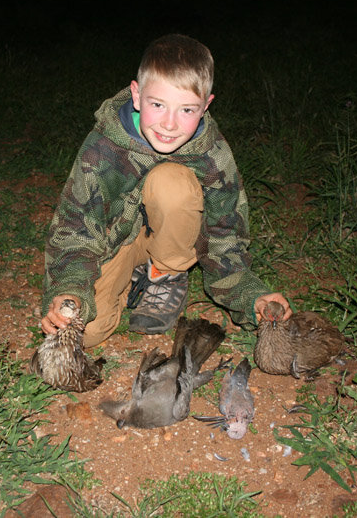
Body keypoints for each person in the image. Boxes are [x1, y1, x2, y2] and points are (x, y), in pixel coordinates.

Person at [40, 33, 292, 347]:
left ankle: (165, 273)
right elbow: (76, 229)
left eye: (186, 110)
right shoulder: (102, 149)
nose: (170, 124)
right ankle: (129, 282)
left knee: (173, 182)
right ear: (136, 95)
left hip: (169, 239)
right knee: (84, 332)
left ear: (205, 106)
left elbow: (225, 238)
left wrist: (250, 296)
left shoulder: (213, 154)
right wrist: (71, 291)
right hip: (111, 245)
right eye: (157, 105)